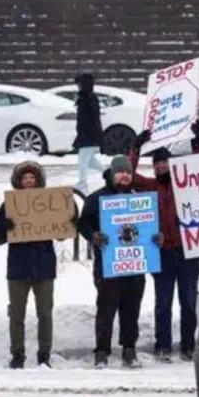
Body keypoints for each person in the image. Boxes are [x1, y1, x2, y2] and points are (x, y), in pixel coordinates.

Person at [130, 122, 199, 363]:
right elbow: (128, 177)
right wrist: (136, 148)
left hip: (188, 251)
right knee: (163, 302)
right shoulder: (149, 187)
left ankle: (188, 344)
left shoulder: (186, 184)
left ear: (172, 164)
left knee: (188, 301)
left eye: (165, 162)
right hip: (161, 252)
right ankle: (162, 344)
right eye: (157, 163)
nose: (161, 165)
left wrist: (196, 143)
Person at [0, 161, 67, 369]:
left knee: (45, 313)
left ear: (38, 180)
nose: (29, 181)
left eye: (32, 178)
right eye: (25, 178)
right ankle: (17, 354)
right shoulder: (9, 204)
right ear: (19, 181)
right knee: (16, 314)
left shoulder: (49, 201)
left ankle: (44, 355)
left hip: (44, 266)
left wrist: (69, 216)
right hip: (18, 266)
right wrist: (0, 227)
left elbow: (62, 233)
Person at [78, 157, 145, 370]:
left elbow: (149, 226)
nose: (124, 176)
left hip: (134, 265)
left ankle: (129, 350)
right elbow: (83, 223)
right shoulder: (97, 199)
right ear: (112, 174)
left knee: (131, 310)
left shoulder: (139, 199)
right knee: (106, 310)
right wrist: (93, 235)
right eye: (120, 172)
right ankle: (101, 352)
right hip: (108, 266)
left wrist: (156, 237)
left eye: (128, 173)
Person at [73, 74, 106, 193]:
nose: (78, 86)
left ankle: (82, 183)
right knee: (90, 160)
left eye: (80, 84)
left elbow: (95, 119)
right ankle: (108, 172)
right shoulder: (84, 97)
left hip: (89, 135)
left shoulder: (90, 98)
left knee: (83, 159)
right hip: (84, 134)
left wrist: (100, 139)